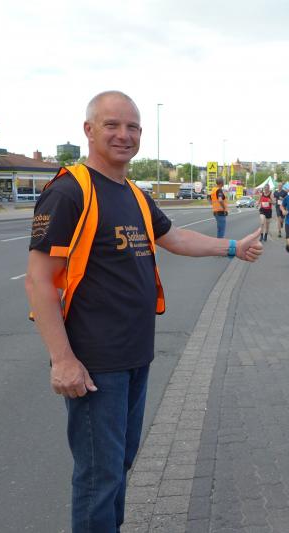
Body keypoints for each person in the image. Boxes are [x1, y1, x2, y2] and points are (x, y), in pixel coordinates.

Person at [25, 91, 263, 533]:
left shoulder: (134, 194)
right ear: (89, 130)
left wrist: (233, 247)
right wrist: (62, 360)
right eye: (112, 125)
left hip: (135, 354)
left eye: (132, 127)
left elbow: (174, 239)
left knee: (119, 465)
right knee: (98, 476)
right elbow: (38, 280)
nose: (124, 135)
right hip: (95, 361)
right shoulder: (69, 191)